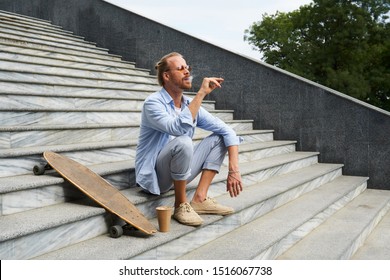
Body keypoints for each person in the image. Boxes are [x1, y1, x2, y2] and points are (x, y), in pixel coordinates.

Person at [135, 52, 243, 226]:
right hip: (156, 176)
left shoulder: (188, 104)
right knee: (184, 140)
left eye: (187, 68)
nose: (187, 71)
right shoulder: (153, 103)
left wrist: (234, 170)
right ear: (167, 76)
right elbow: (177, 129)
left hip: (180, 171)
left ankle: (200, 198)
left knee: (220, 137)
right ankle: (180, 205)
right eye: (180, 68)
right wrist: (201, 94)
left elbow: (228, 131)